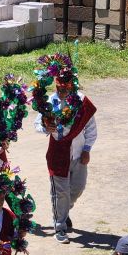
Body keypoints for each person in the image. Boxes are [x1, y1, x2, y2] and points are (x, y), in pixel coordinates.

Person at [32, 53, 98, 244]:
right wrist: (46, 127)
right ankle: (59, 226)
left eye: (65, 88)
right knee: (60, 192)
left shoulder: (81, 102)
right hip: (57, 154)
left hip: (78, 154)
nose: (61, 91)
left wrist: (87, 149)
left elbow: (91, 128)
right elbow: (37, 123)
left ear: (72, 85)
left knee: (77, 188)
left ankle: (63, 210)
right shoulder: (49, 102)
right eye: (58, 87)